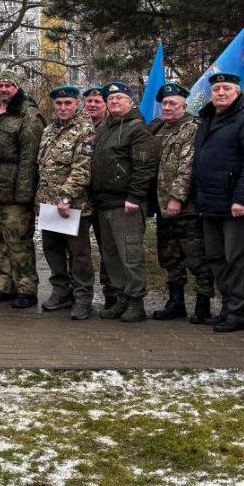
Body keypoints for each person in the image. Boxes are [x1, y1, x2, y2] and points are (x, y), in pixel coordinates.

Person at [191, 72, 244, 332]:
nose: (221, 93)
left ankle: (238, 313)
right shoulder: (208, 117)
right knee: (216, 258)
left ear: (237, 91)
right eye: (216, 89)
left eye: (226, 88)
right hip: (209, 202)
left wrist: (241, 198)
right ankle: (227, 307)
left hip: (234, 205)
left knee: (236, 259)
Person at [0, 72, 45, 308]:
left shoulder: (28, 115)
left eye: (8, 85)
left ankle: (27, 288)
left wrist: (25, 196)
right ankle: (5, 285)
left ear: (17, 88)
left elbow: (29, 159)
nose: (3, 89)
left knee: (18, 242)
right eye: (0, 85)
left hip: (14, 194)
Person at [90, 80, 157, 321]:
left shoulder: (137, 129)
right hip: (104, 203)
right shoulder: (105, 129)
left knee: (130, 256)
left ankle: (136, 303)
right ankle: (121, 300)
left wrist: (135, 196)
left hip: (125, 204)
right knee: (111, 256)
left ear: (130, 102)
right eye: (110, 99)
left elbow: (144, 166)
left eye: (119, 98)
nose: (114, 101)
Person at [152, 82, 214, 324]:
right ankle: (175, 303)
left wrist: (177, 198)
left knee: (196, 257)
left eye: (173, 103)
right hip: (162, 206)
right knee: (170, 256)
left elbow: (187, 167)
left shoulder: (192, 129)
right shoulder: (157, 129)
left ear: (184, 106)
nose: (167, 107)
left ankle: (203, 305)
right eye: (165, 103)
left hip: (185, 207)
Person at [36, 85, 96, 320]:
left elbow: (82, 169)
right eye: (59, 103)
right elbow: (43, 167)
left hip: (72, 205)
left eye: (67, 103)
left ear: (76, 104)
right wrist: (39, 201)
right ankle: (61, 292)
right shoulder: (49, 130)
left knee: (79, 255)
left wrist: (66, 197)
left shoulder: (85, 130)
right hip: (49, 203)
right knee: (53, 251)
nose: (62, 107)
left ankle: (82, 298)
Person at [82, 85, 116, 308]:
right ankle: (78, 292)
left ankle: (111, 292)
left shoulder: (112, 127)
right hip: (80, 198)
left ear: (106, 105)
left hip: (104, 198)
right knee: (78, 249)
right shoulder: (79, 127)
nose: (92, 105)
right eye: (89, 101)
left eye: (98, 101)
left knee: (108, 248)